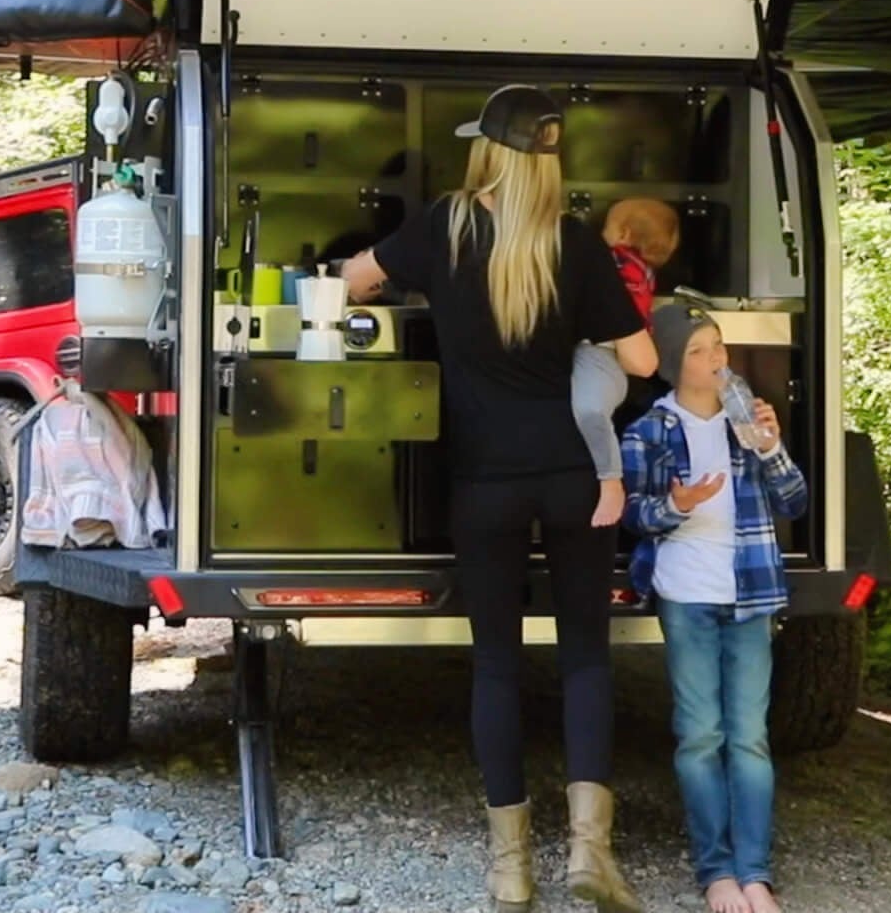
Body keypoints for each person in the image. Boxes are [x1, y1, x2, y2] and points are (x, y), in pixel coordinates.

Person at [343, 85, 658, 913]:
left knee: (496, 662)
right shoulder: (577, 244)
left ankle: (509, 868)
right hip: (574, 478)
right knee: (587, 654)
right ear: (550, 158)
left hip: (484, 480)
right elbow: (644, 359)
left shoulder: (444, 226)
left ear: (486, 150)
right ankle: (590, 854)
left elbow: (353, 280)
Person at [621, 304, 809, 913]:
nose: (717, 360)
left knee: (750, 737)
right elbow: (633, 517)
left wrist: (773, 447)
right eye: (700, 351)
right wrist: (674, 504)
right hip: (687, 598)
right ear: (674, 364)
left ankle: (756, 873)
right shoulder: (650, 429)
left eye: (719, 347)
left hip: (750, 595)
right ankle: (716, 872)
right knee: (701, 736)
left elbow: (796, 501)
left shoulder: (744, 419)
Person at [572, 198, 681, 527]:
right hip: (601, 355)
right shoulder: (641, 269)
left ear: (623, 233)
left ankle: (610, 480)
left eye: (605, 227)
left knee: (589, 411)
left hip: (603, 356)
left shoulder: (618, 264)